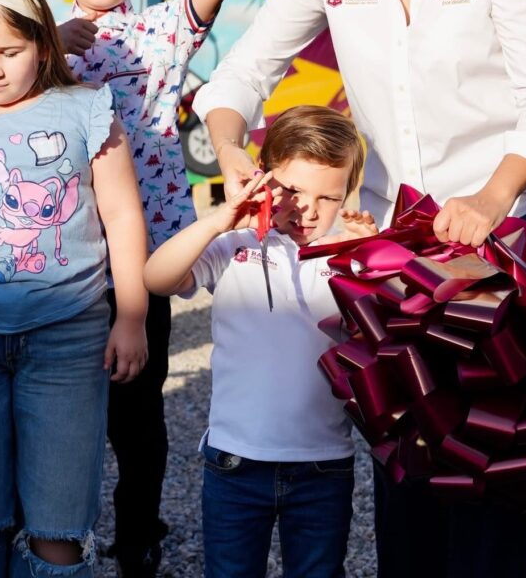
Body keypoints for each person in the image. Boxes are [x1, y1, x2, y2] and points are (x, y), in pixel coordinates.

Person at [192, 0, 526, 577]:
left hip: (507, 225)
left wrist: (489, 200)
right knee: (406, 450)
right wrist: (229, 145)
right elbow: (243, 73)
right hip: (396, 242)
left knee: (496, 457)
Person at [0, 0, 148, 578]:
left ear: (42, 41)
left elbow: (122, 215)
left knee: (59, 526)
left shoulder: (86, 109)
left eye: (9, 51)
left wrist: (131, 316)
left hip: (67, 339)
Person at [52, 0, 236, 578]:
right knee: (57, 415)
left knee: (137, 416)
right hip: (60, 261)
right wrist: (48, 42)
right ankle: (50, 535)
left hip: (147, 261)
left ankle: (137, 538)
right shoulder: (35, 41)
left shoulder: (162, 31)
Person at [144, 105, 376, 578]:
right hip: (235, 461)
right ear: (263, 176)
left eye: (328, 197)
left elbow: (381, 340)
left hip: (323, 463)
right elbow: (157, 278)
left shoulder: (350, 256)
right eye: (292, 191)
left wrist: (373, 263)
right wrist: (218, 221)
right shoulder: (236, 244)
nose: (308, 209)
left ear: (347, 193)